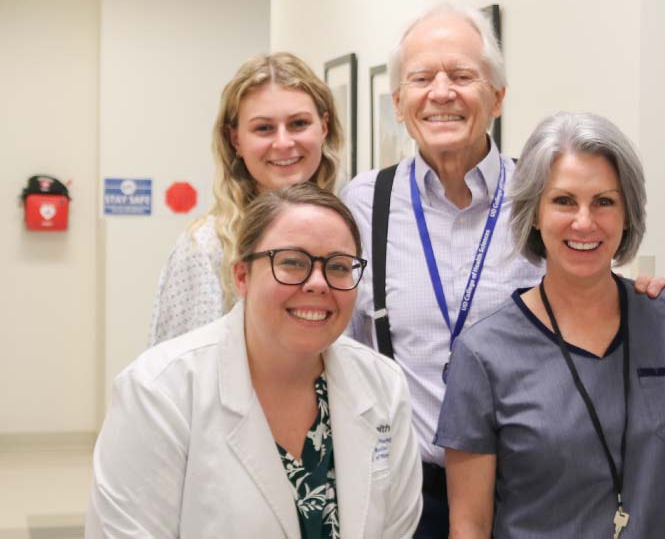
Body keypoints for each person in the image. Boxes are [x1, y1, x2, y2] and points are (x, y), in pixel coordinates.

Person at [340, 4, 665, 538]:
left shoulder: (548, 198)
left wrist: (647, 293)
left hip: (542, 486)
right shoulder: (363, 206)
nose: (441, 92)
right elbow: (338, 353)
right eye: (422, 78)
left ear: (498, 97)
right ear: (399, 104)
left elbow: (598, 292)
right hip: (408, 494)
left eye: (461, 76)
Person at [433, 111, 665, 538]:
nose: (585, 222)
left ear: (627, 214)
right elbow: (470, 526)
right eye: (564, 201)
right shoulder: (484, 354)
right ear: (534, 213)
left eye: (605, 202)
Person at [88, 183, 422, 538]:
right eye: (292, 262)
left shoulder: (383, 385)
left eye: (339, 267)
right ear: (242, 276)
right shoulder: (159, 391)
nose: (318, 283)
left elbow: (397, 529)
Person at [149, 52, 344, 345]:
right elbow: (179, 376)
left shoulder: (349, 231)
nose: (283, 143)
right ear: (235, 139)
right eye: (263, 128)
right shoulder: (207, 247)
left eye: (299, 123)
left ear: (324, 127)